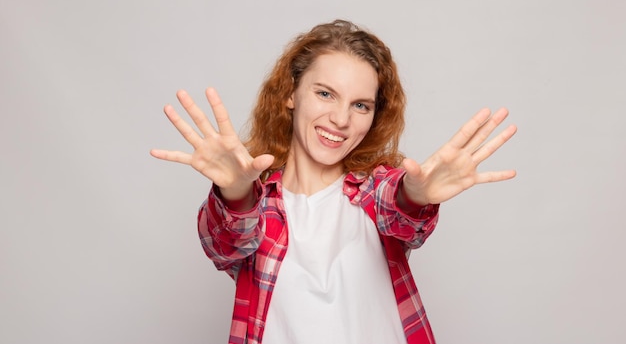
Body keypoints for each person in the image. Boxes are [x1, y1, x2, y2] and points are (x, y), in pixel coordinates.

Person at [150, 19, 517, 344]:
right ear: (291, 94)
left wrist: (415, 196)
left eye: (361, 105)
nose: (341, 119)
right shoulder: (256, 204)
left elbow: (402, 214)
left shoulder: (375, 191)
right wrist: (235, 194)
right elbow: (224, 245)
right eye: (325, 93)